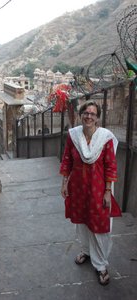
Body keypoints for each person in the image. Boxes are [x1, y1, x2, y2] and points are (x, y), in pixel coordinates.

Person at [60, 100, 121, 286]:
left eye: (93, 114)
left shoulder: (105, 137)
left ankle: (101, 264)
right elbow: (67, 160)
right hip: (78, 188)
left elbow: (111, 165)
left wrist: (108, 191)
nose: (89, 116)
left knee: (99, 225)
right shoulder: (73, 135)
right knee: (82, 222)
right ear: (81, 114)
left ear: (97, 117)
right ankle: (86, 250)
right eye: (86, 112)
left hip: (98, 189)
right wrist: (64, 183)